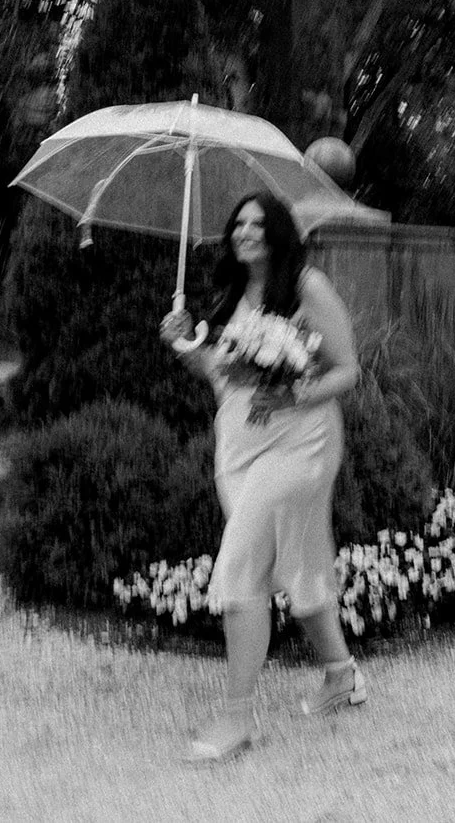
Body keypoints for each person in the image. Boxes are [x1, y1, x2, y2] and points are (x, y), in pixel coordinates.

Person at [159, 192, 362, 763]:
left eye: (257, 223)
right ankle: (340, 675)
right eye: (238, 223)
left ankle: (236, 716)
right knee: (299, 561)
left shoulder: (307, 287)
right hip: (241, 444)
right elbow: (222, 378)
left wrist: (291, 391)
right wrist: (185, 346)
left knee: (240, 563)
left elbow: (347, 369)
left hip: (301, 443)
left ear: (278, 232)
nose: (246, 232)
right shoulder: (229, 296)